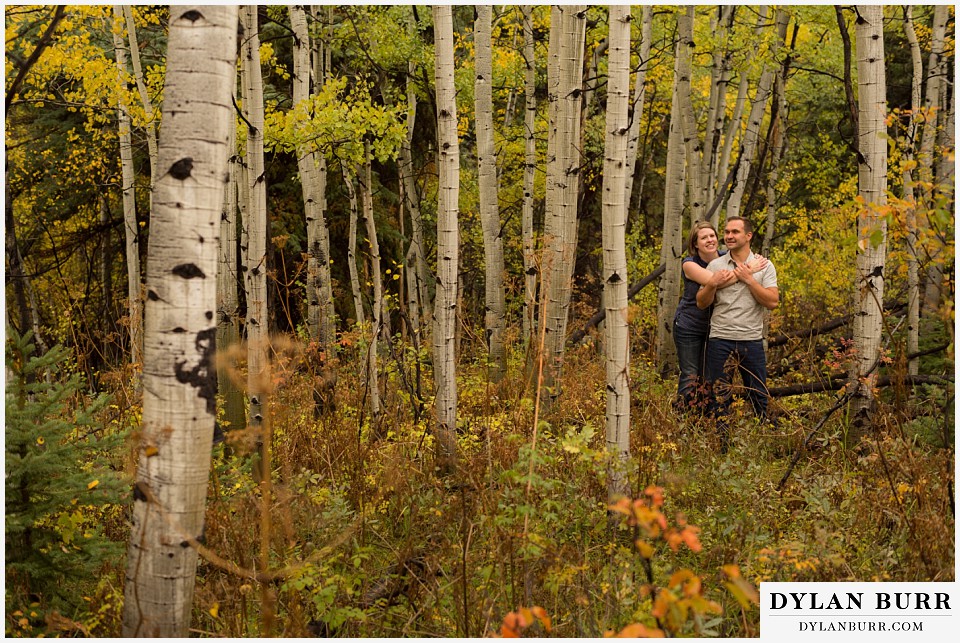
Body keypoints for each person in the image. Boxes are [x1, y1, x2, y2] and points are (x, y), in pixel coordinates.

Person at [696, 216, 778, 449]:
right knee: (719, 395)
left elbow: (772, 302)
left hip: (751, 340)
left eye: (735, 232)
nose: (729, 236)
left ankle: (766, 443)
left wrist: (749, 280)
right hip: (720, 338)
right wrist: (712, 284)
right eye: (727, 232)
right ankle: (723, 446)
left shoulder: (764, 265)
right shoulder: (716, 266)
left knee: (758, 393)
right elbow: (701, 303)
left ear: (748, 236)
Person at [673, 221, 767, 412]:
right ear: (695, 244)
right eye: (703, 237)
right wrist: (748, 270)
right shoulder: (689, 264)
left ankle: (706, 415)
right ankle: (684, 416)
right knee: (690, 373)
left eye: (712, 236)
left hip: (716, 327)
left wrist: (749, 266)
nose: (710, 240)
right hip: (690, 325)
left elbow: (739, 263)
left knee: (710, 376)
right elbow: (713, 282)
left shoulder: (725, 257)